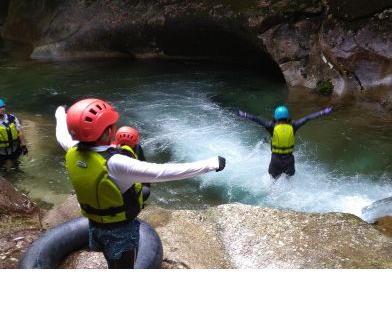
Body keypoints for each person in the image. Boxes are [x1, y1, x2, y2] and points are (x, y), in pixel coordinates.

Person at [55, 98, 226, 269]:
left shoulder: (71, 150)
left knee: (112, 261)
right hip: (120, 232)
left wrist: (60, 113)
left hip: (95, 226)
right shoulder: (116, 164)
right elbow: (164, 172)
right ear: (108, 131)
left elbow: (61, 133)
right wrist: (211, 164)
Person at [237, 105, 332, 179]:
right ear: (287, 117)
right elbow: (307, 118)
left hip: (276, 160)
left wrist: (244, 115)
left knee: (273, 180)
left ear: (276, 117)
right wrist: (322, 112)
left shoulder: (271, 126)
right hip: (289, 160)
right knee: (288, 178)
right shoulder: (294, 125)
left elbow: (256, 119)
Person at [114, 126, 151, 202]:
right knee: (146, 190)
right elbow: (144, 166)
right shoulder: (137, 148)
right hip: (128, 193)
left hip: (114, 191)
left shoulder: (111, 150)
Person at [0, 98, 28, 172]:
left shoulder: (12, 118)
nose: (2, 109)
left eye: (3, 107)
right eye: (0, 107)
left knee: (16, 165)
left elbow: (20, 132)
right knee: (3, 169)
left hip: (14, 149)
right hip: (1, 152)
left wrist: (24, 145)